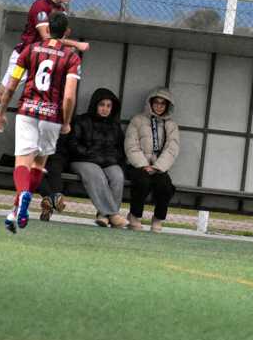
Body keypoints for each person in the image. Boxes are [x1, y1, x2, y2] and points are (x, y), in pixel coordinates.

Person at [0, 12, 81, 233]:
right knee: (38, 166)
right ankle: (15, 210)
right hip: (52, 116)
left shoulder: (29, 50)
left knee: (22, 164)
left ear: (47, 29)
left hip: (27, 111)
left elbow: (12, 85)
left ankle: (21, 198)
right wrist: (66, 121)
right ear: (67, 32)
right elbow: (69, 96)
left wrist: (1, 111)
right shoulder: (71, 57)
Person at [67, 87, 127, 228]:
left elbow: (120, 149)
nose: (105, 109)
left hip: (106, 162)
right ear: (95, 105)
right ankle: (113, 214)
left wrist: (111, 159)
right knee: (96, 173)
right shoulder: (81, 120)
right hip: (81, 160)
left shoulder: (115, 126)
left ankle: (103, 216)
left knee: (117, 175)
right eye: (102, 105)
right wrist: (90, 154)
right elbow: (72, 144)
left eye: (108, 106)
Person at [125, 87, 180, 232]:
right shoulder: (137, 120)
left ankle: (158, 218)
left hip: (158, 168)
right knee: (142, 182)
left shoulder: (171, 125)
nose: (159, 106)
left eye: (163, 103)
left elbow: (172, 148)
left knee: (165, 186)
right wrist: (143, 165)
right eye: (156, 102)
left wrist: (157, 167)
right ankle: (134, 216)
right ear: (150, 103)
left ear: (167, 106)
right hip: (137, 166)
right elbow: (131, 145)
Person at [37, 153, 69, 222]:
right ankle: (54, 198)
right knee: (36, 170)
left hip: (56, 155)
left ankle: (50, 200)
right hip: (35, 154)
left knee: (55, 165)